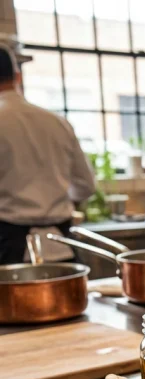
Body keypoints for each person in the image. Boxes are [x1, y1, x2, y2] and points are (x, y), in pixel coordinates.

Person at [0, 44, 95, 265]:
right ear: (17, 76)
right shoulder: (57, 122)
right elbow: (86, 186)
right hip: (61, 246)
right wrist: (51, 197)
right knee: (65, 299)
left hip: (8, 251)